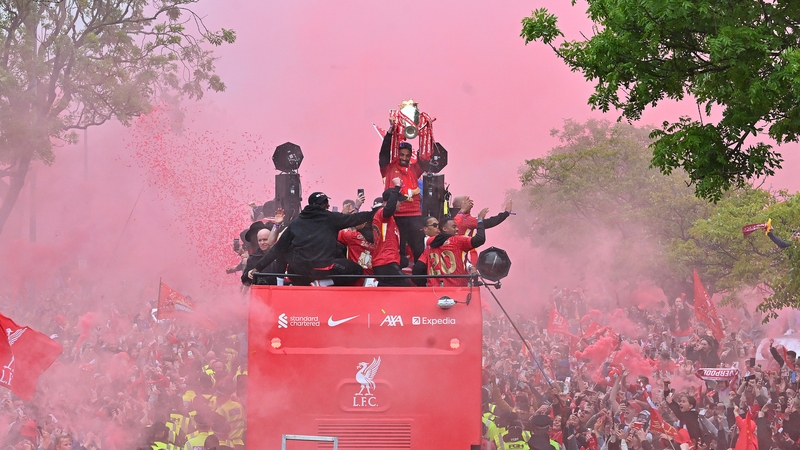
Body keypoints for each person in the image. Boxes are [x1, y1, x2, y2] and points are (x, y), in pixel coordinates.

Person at [246, 192, 374, 286]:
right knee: (356, 270)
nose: (328, 205)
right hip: (324, 268)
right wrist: (377, 212)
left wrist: (257, 268)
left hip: (301, 270)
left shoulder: (296, 223)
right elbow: (356, 218)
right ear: (323, 205)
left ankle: (285, 287)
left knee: (287, 259)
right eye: (326, 203)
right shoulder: (330, 218)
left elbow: (276, 249)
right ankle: (323, 283)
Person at [379, 122, 430, 267]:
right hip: (397, 215)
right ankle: (398, 280)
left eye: (407, 155)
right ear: (397, 155)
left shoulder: (414, 169)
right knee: (398, 249)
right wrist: (389, 133)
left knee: (419, 249)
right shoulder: (388, 168)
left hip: (414, 215)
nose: (405, 158)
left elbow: (425, 158)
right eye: (402, 154)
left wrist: (425, 134)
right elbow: (383, 153)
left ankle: (420, 279)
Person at [412, 211, 487, 287]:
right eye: (454, 227)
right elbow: (480, 239)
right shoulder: (457, 240)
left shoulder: (429, 247)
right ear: (444, 229)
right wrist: (480, 221)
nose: (457, 229)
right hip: (457, 290)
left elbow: (417, 270)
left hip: (434, 292)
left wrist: (425, 284)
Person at [371, 186, 413, 286]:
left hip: (386, 262)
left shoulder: (390, 219)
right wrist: (397, 188)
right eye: (399, 201)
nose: (401, 203)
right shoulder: (382, 213)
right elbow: (388, 210)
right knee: (406, 286)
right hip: (386, 262)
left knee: (387, 292)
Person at [240, 209, 284, 286]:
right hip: (260, 294)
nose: (262, 243)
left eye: (265, 240)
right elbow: (244, 281)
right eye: (260, 240)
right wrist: (248, 275)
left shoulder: (281, 254)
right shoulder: (253, 258)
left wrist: (277, 224)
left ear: (272, 238)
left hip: (280, 292)